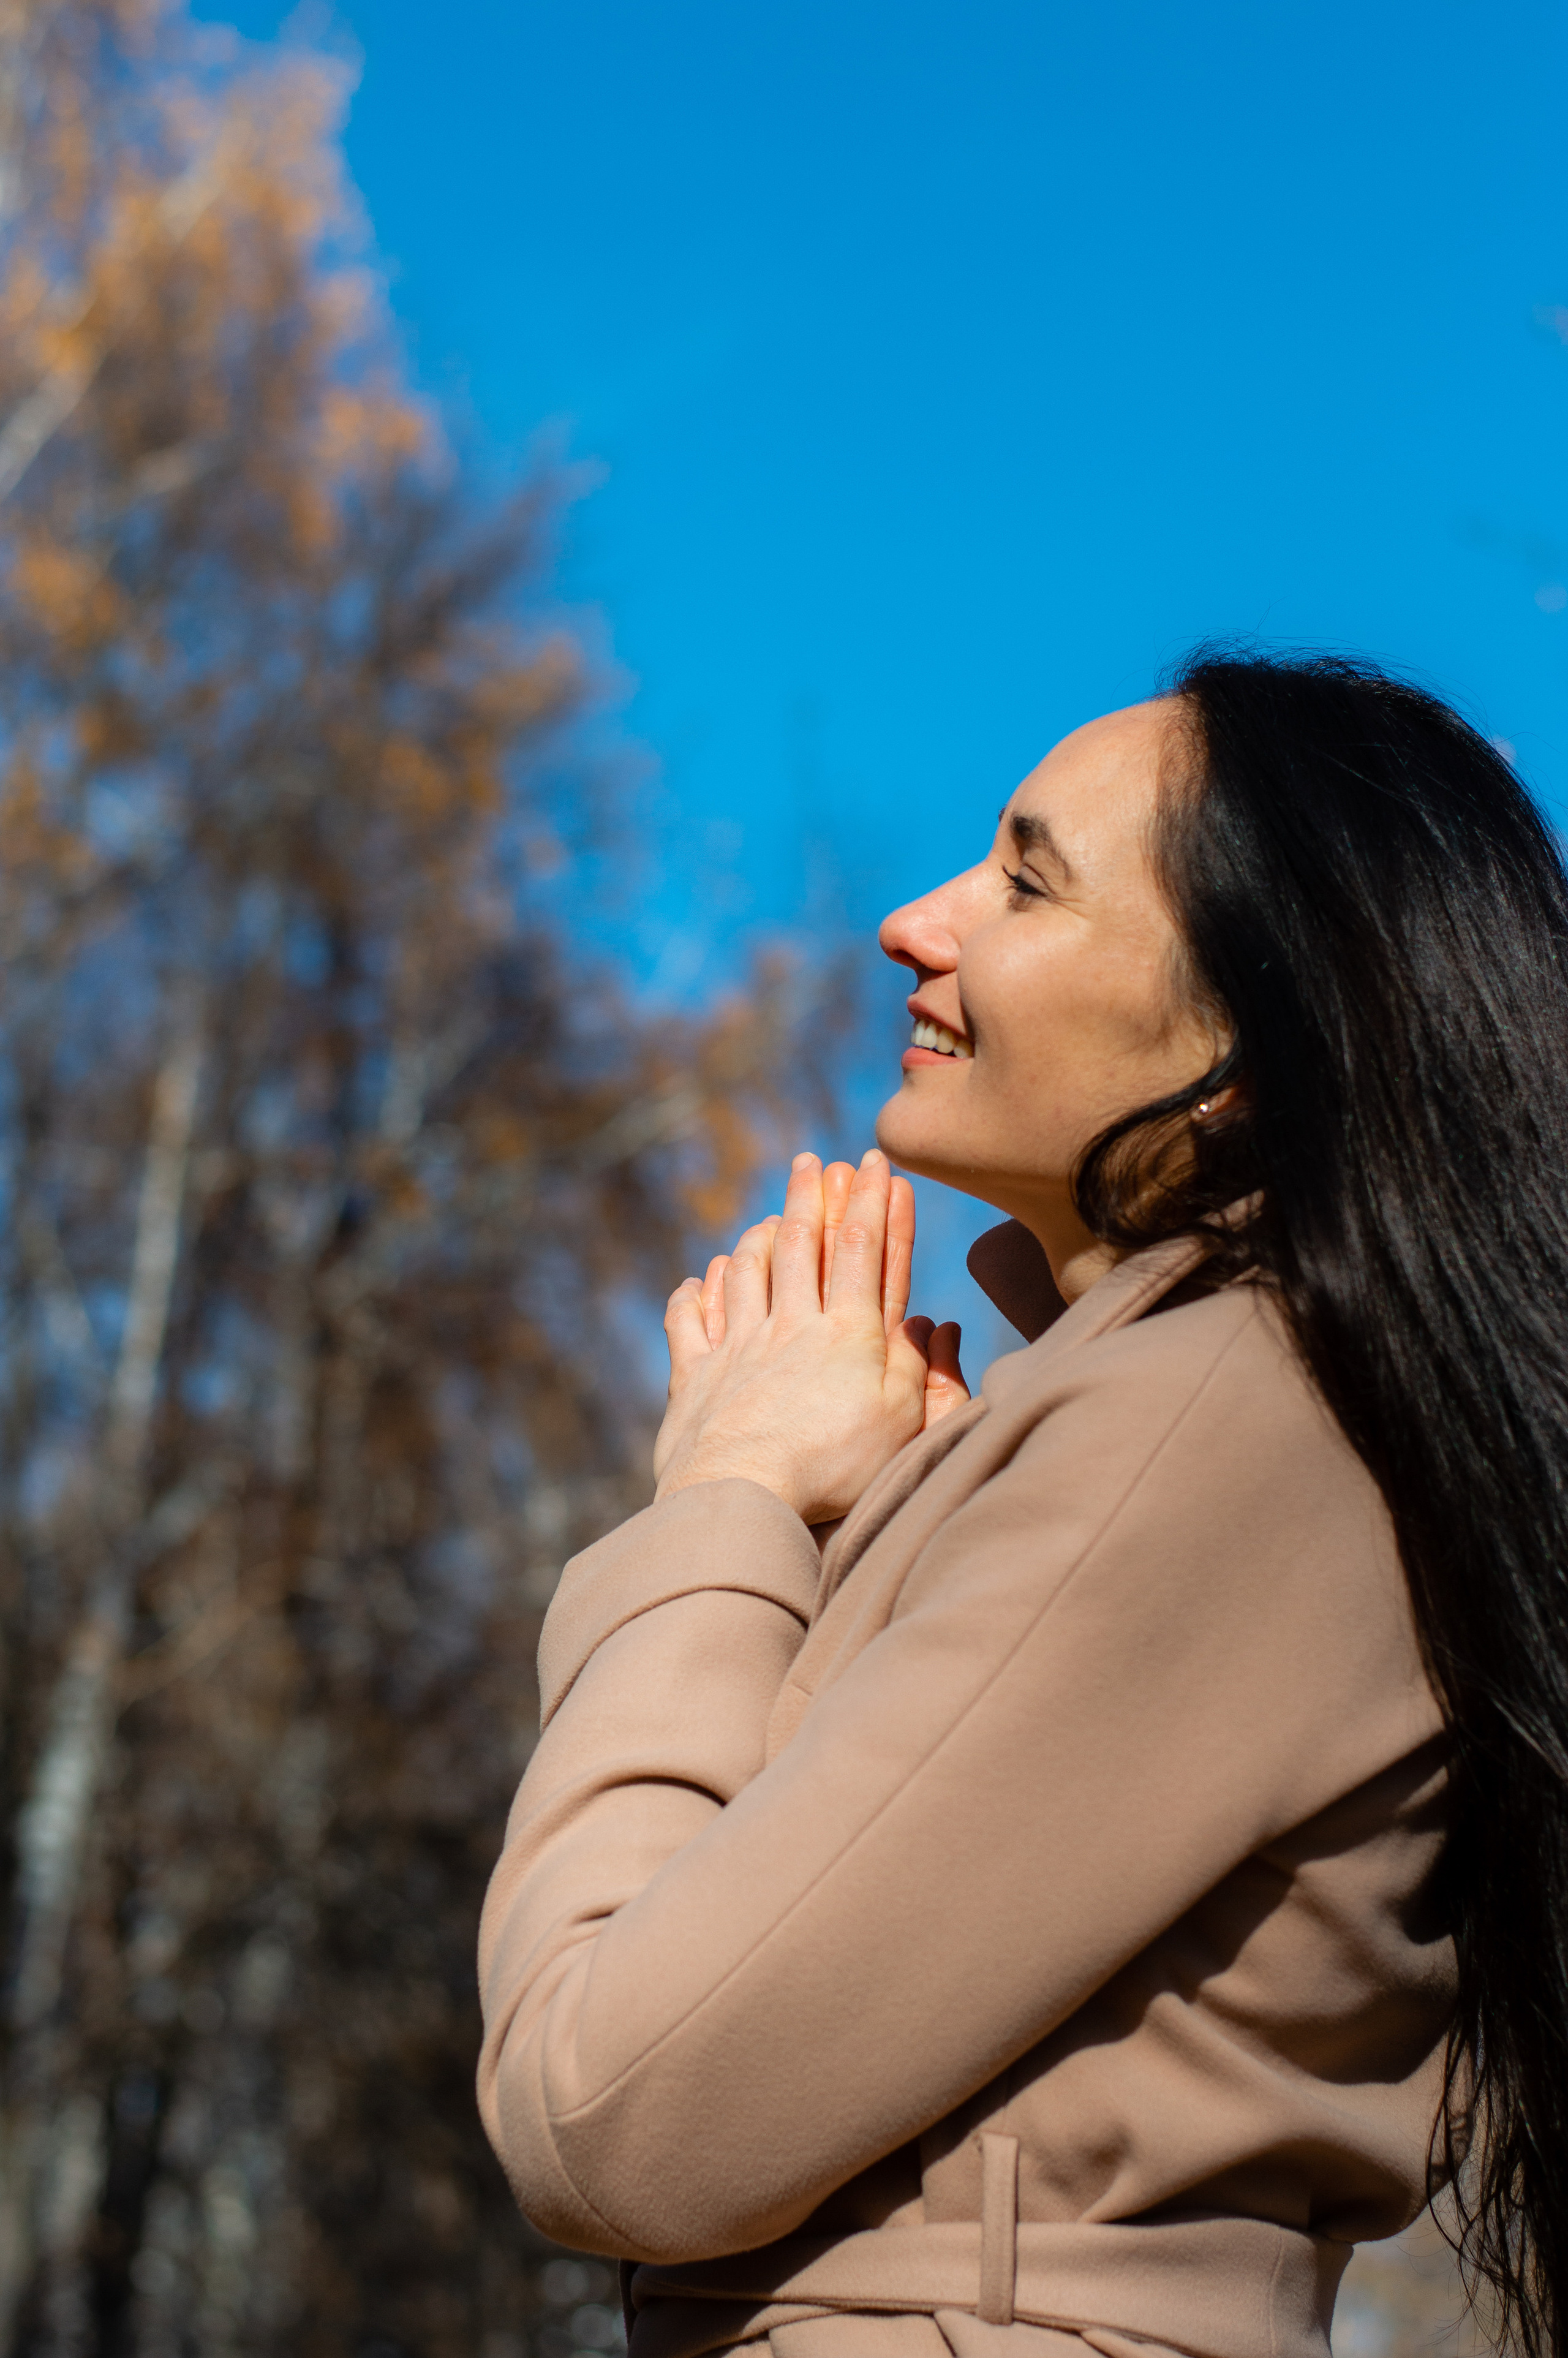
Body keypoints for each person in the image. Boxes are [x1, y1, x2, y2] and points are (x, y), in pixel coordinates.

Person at [478, 649, 1568, 2358]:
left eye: (1026, 879)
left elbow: (607, 2108)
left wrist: (726, 1499)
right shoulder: (1196, 1414)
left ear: (1241, 1059)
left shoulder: (1217, 1410)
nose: (918, 921)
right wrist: (872, 1530)